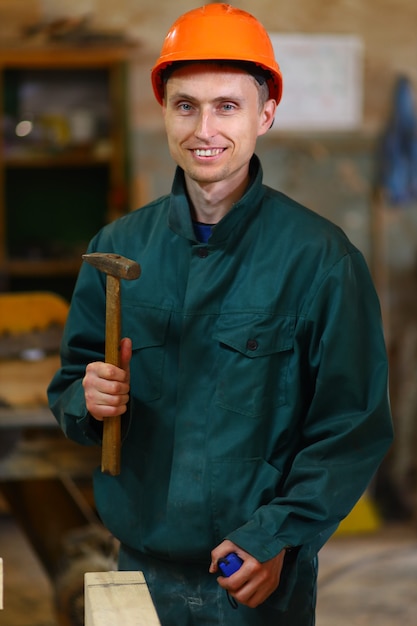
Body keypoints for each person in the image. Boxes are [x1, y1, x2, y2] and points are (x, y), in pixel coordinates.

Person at [48, 4, 393, 625]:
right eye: (186, 105)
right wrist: (86, 399)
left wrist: (278, 536)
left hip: (255, 574)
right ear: (164, 113)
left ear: (266, 113)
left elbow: (352, 427)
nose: (204, 127)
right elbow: (70, 385)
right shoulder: (118, 246)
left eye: (227, 106)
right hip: (140, 565)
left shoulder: (320, 259)